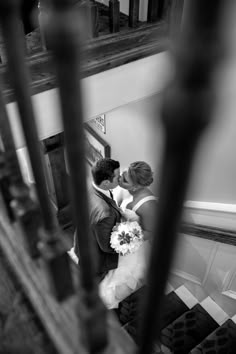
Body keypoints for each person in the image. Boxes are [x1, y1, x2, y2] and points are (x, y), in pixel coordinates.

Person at [99, 161, 157, 309]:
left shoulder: (148, 205)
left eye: (124, 180)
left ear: (136, 186)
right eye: (123, 173)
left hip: (133, 244)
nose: (120, 179)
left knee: (117, 282)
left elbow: (151, 231)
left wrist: (128, 238)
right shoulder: (128, 190)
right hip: (121, 234)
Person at [71, 158, 122, 282]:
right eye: (118, 176)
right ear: (105, 183)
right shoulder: (106, 213)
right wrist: (126, 244)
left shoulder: (89, 186)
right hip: (96, 260)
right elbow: (106, 247)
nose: (120, 178)